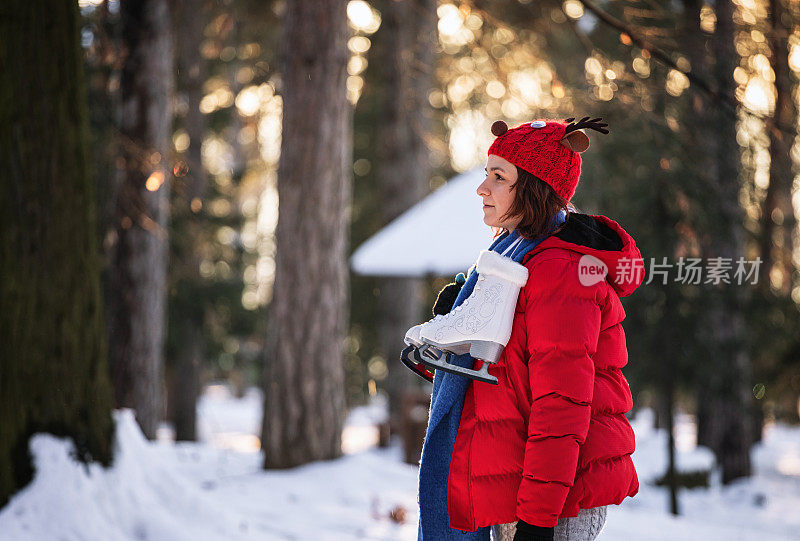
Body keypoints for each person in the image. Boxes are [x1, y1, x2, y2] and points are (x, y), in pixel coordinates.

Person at [408, 118, 644, 541]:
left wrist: (538, 521)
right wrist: (447, 345)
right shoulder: (514, 258)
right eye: (487, 174)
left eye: (499, 177)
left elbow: (562, 405)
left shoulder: (560, 271)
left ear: (534, 187)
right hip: (522, 479)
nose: (483, 188)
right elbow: (508, 377)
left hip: (558, 498)